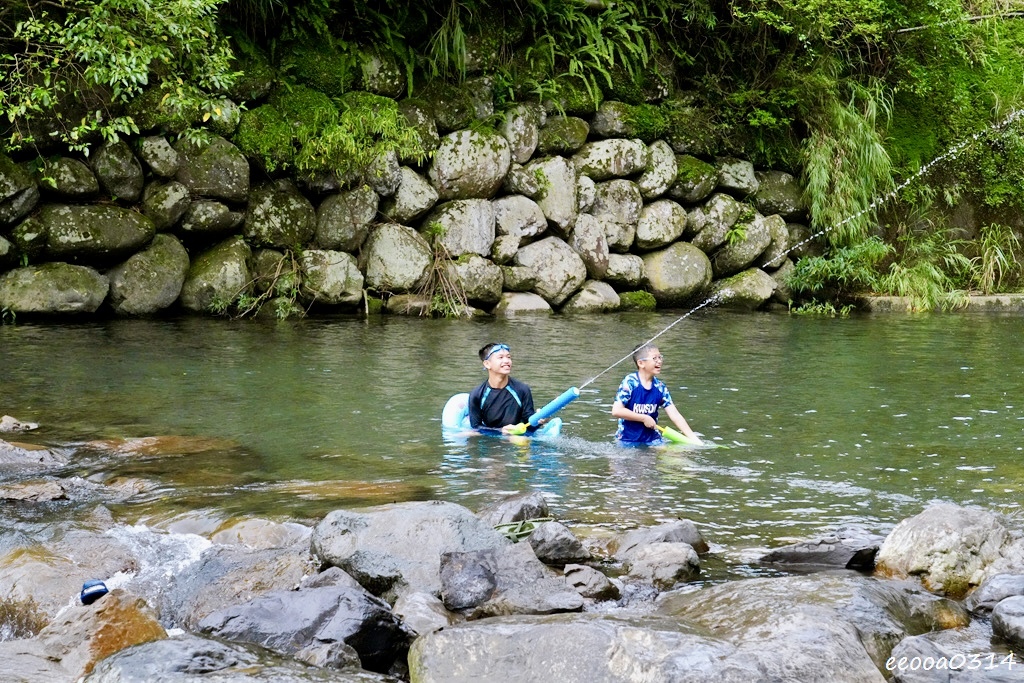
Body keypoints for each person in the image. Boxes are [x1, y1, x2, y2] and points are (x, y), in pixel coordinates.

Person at [611, 342, 700, 445]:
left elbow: (675, 415)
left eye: (660, 357)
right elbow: (616, 411)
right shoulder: (630, 383)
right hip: (627, 440)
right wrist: (644, 418)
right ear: (641, 363)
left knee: (679, 456)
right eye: (654, 358)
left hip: (653, 440)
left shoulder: (660, 387)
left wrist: (694, 440)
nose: (659, 361)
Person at [468, 342, 540, 434]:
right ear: (487, 364)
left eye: (508, 357)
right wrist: (500, 431)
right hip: (490, 442)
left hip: (516, 439)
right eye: (501, 357)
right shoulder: (477, 395)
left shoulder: (522, 390)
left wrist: (539, 421)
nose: (507, 361)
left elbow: (529, 427)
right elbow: (476, 427)